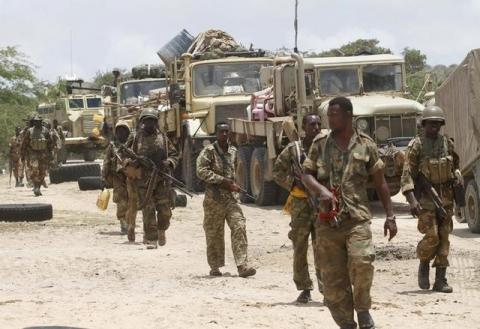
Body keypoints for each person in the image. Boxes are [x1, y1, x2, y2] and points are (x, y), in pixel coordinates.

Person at [302, 97, 397, 329]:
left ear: (348, 115)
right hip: (327, 221)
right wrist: (322, 190)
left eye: (334, 114)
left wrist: (390, 215)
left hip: (357, 218)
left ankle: (363, 309)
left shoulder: (366, 145)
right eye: (328, 115)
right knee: (333, 281)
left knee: (363, 262)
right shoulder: (320, 143)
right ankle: (346, 323)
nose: (330, 119)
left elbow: (380, 182)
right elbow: (306, 175)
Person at [400, 105, 460, 293]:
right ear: (424, 124)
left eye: (438, 124)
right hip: (426, 200)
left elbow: (455, 165)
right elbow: (407, 174)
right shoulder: (416, 145)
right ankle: (424, 260)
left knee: (444, 239)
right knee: (432, 236)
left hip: (446, 199)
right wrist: (412, 200)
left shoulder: (446, 143)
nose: (434, 127)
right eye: (431, 124)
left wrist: (457, 177)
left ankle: (440, 280)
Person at [272, 113, 323, 303]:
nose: (316, 128)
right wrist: (293, 183)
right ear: (303, 127)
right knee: (300, 248)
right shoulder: (294, 150)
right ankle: (304, 288)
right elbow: (277, 172)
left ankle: (326, 288)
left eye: (319, 124)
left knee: (323, 248)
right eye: (312, 124)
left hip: (320, 204)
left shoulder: (325, 147)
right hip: (300, 204)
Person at [196, 121, 256, 278]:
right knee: (214, 233)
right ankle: (215, 267)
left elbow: (234, 172)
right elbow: (201, 171)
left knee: (239, 226)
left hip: (231, 199)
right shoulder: (208, 151)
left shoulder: (233, 151)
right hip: (213, 199)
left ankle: (242, 265)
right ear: (216, 133)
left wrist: (234, 185)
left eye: (226, 132)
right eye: (221, 131)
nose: (224, 134)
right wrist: (222, 181)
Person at [124, 108, 178, 248]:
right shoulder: (136, 138)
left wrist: (169, 162)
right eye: (146, 120)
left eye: (152, 120)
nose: (149, 124)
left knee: (165, 211)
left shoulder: (163, 139)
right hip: (144, 180)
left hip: (161, 179)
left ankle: (161, 230)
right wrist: (133, 162)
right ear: (142, 122)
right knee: (148, 210)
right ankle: (151, 239)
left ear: (156, 122)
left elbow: (174, 155)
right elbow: (124, 156)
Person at [102, 120, 131, 234]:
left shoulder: (133, 144)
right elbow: (106, 162)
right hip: (118, 177)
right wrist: (103, 178)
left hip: (131, 177)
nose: (121, 133)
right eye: (119, 130)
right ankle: (123, 222)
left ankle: (130, 222)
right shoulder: (112, 146)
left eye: (124, 130)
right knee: (121, 201)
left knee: (132, 201)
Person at [20, 114, 53, 196]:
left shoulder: (45, 131)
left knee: (42, 172)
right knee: (34, 170)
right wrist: (23, 154)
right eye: (35, 121)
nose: (37, 123)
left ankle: (38, 187)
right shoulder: (30, 131)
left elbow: (50, 143)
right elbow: (24, 143)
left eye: (38, 121)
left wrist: (50, 153)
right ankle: (35, 186)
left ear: (41, 122)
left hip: (43, 154)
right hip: (33, 154)